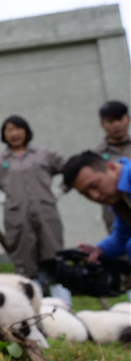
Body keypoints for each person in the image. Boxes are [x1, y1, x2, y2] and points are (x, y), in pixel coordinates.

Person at [0, 115, 72, 302]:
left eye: (18, 128)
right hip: (18, 219)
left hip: (46, 214)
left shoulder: (43, 155)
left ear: (26, 131)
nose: (14, 134)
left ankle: (65, 306)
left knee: (55, 258)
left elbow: (72, 169)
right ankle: (35, 307)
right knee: (26, 263)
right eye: (9, 130)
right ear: (3, 134)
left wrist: (60, 190)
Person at [62, 150, 131, 302]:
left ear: (111, 167)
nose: (95, 196)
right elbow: (122, 235)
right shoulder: (120, 199)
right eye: (86, 193)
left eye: (95, 185)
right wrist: (99, 250)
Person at [91, 101, 131, 233]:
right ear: (103, 124)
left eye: (120, 119)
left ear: (128, 119)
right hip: (116, 215)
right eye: (110, 121)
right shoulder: (96, 155)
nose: (116, 125)